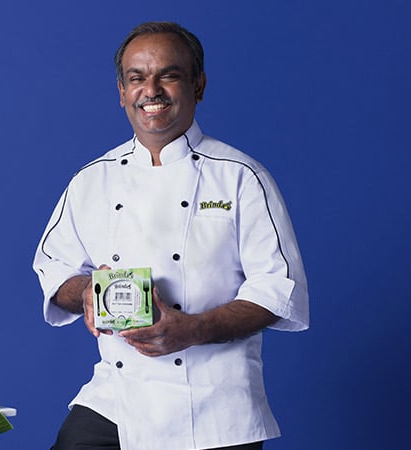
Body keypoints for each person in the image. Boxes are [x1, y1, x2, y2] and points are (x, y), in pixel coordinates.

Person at [33, 21, 309, 450]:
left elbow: (278, 289)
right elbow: (54, 270)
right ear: (122, 91)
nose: (152, 90)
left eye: (169, 75)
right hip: (118, 400)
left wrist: (193, 329)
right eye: (137, 78)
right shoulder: (92, 180)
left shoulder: (241, 177)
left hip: (217, 409)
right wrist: (85, 291)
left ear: (198, 85)